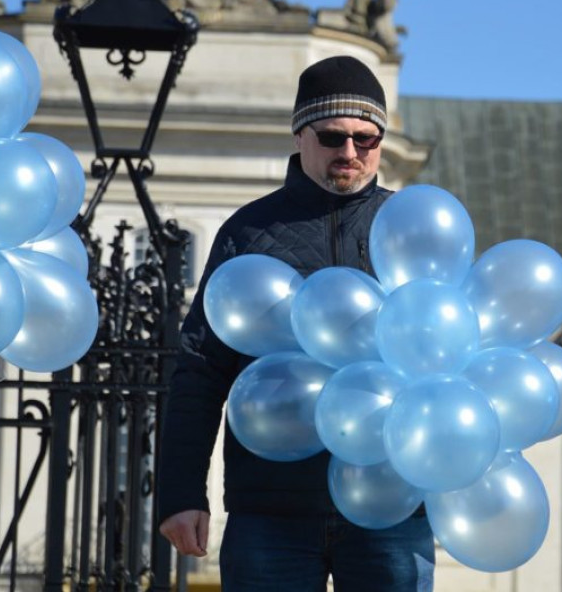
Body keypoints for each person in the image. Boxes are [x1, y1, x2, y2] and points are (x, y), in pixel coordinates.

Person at [156, 55, 435, 591]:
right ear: (301, 135)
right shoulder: (248, 231)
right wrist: (182, 494)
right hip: (272, 509)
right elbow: (200, 369)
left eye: (367, 138)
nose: (350, 151)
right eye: (333, 136)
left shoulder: (415, 230)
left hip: (390, 505)